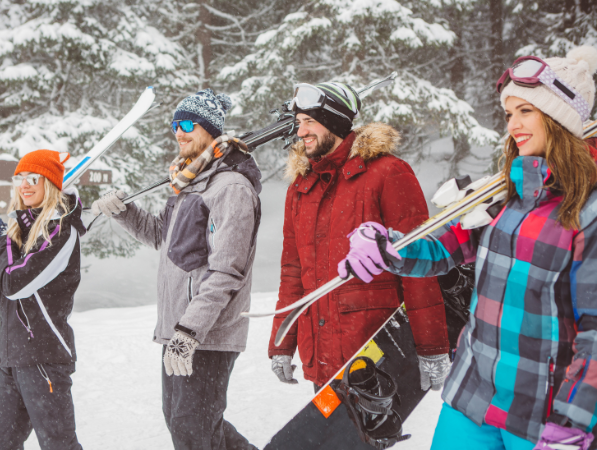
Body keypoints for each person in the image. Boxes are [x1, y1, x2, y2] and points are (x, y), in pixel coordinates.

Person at [338, 46, 597, 450]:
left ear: (558, 117)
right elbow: (445, 248)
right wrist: (390, 247)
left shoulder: (588, 211)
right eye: (509, 113)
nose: (514, 124)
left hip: (542, 416)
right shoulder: (507, 193)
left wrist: (573, 421)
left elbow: (594, 334)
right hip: (472, 395)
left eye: (526, 111)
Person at [91, 89, 261, 450]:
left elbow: (228, 271)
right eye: (174, 125)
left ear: (211, 129)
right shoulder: (187, 184)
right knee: (189, 426)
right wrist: (124, 212)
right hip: (178, 332)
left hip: (205, 335)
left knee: (193, 431)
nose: (179, 133)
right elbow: (162, 239)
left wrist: (190, 330)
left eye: (187, 124)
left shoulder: (230, 187)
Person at [268, 81, 451, 392]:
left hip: (375, 349)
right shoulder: (300, 188)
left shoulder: (387, 173)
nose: (301, 132)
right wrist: (282, 345)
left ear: (335, 122)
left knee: (367, 437)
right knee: (332, 436)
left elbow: (419, 267)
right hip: (322, 350)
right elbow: (293, 273)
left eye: (310, 121)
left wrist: (432, 347)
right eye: (299, 123)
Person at [0, 149, 86, 450]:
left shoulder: (60, 232)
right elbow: (20, 297)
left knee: (58, 444)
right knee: (0, 445)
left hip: (43, 358)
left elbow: (14, 282)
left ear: (49, 182)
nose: (25, 184)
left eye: (33, 177)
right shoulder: (23, 227)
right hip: (11, 359)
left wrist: (5, 241)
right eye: (19, 178)